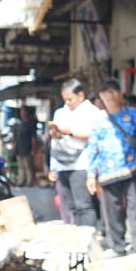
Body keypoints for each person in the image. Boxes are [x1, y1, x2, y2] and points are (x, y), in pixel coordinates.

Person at [85, 80, 136, 258]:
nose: (109, 96)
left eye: (113, 91)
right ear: (100, 96)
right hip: (107, 172)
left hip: (133, 168)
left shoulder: (133, 114)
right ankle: (116, 246)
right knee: (111, 211)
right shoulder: (98, 120)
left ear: (120, 94)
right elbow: (93, 147)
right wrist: (91, 174)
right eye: (105, 92)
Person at [48, 79, 101, 228]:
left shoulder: (92, 112)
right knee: (72, 206)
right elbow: (54, 142)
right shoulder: (60, 113)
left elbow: (94, 136)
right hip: (62, 164)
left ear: (80, 95)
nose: (67, 103)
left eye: (70, 99)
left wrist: (69, 132)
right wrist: (53, 166)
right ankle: (77, 238)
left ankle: (88, 237)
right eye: (65, 99)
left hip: (81, 164)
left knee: (84, 205)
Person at [13, 106, 38, 187]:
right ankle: (21, 181)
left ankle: (29, 181)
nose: (22, 113)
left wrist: (33, 149)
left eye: (23, 111)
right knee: (21, 166)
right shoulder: (20, 123)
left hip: (26, 148)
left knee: (28, 166)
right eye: (21, 111)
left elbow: (33, 138)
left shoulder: (31, 124)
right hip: (19, 148)